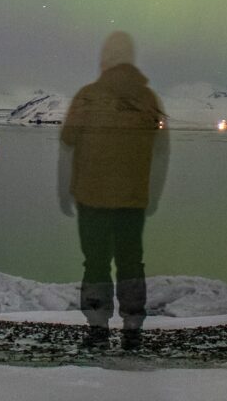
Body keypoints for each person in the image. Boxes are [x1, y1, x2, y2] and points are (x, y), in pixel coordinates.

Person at [58, 31, 169, 351]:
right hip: (134, 200)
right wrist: (154, 194)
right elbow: (162, 152)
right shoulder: (149, 101)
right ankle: (133, 326)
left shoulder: (86, 97)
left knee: (95, 262)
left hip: (90, 197)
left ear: (104, 59)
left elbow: (67, 146)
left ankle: (97, 327)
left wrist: (64, 192)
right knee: (132, 261)